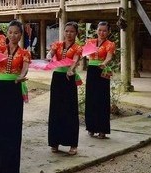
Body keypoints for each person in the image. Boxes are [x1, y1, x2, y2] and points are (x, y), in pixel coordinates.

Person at [0, 20, 31, 173]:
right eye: (10, 32)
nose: (13, 35)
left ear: (20, 35)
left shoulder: (24, 52)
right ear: (6, 33)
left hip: (15, 87)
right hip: (0, 88)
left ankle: (12, 166)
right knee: (0, 124)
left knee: (13, 125)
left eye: (16, 32)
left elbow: (25, 68)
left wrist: (21, 76)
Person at [47, 21, 82, 155]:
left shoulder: (77, 47)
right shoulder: (58, 44)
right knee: (55, 110)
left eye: (72, 31)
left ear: (76, 33)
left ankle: (73, 144)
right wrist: (49, 56)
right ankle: (54, 142)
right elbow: (51, 53)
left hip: (69, 78)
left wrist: (71, 70)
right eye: (67, 31)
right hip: (57, 78)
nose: (69, 33)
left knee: (70, 110)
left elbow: (75, 60)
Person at [85, 21, 116, 139]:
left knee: (102, 99)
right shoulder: (90, 42)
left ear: (108, 32)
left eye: (104, 30)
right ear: (96, 30)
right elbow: (85, 54)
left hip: (102, 71)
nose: (102, 32)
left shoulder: (110, 44)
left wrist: (103, 63)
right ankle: (91, 127)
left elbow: (109, 57)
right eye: (100, 30)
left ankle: (102, 129)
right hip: (92, 70)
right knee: (91, 98)